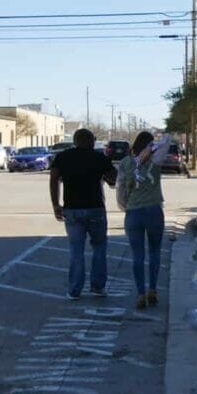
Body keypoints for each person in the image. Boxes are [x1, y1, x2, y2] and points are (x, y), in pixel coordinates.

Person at [49, 128, 117, 300]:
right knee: (99, 248)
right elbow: (113, 178)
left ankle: (74, 290)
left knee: (76, 250)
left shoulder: (63, 157)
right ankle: (98, 286)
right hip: (95, 208)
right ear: (92, 141)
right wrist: (106, 178)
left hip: (72, 210)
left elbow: (54, 179)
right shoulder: (99, 157)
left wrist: (56, 204)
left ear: (75, 141)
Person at [116, 131, 169, 309]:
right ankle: (152, 289)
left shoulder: (125, 163)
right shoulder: (156, 162)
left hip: (133, 212)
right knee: (155, 251)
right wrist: (155, 145)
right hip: (154, 209)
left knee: (137, 255)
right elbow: (167, 140)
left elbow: (120, 188)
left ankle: (140, 294)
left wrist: (125, 206)